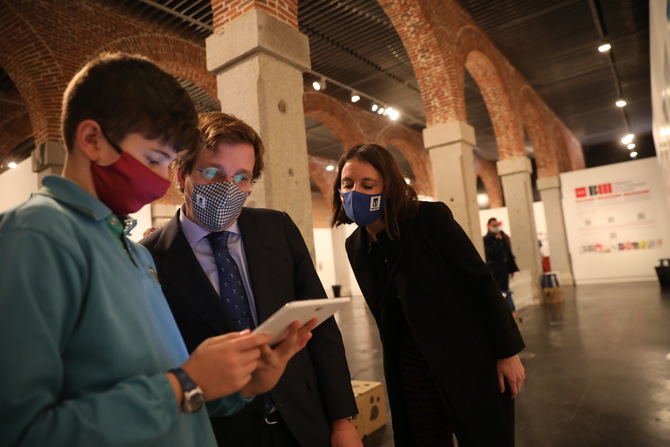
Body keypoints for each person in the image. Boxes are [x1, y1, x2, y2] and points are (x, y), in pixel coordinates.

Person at [0, 53, 314, 447]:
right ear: (92, 139)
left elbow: (161, 386)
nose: (159, 179)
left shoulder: (131, 251)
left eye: (166, 163)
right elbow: (21, 430)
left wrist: (241, 386)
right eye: (152, 158)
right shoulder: (36, 236)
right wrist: (186, 382)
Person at [141, 112, 360, 447]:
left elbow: (321, 328)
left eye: (241, 177)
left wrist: (342, 421)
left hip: (304, 422)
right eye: (212, 172)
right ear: (182, 173)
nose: (228, 188)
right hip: (224, 432)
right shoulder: (150, 257)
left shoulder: (277, 229)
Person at [331, 144, 526, 447]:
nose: (355, 191)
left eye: (367, 184)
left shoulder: (428, 219)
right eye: (348, 183)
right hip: (409, 365)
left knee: (484, 434)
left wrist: (508, 352)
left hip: (467, 356)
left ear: (389, 187)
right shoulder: (355, 245)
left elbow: (480, 282)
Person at [484, 217, 520, 319]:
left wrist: (511, 269)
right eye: (493, 225)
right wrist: (497, 241)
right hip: (494, 269)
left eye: (497, 225)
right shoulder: (487, 239)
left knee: (506, 290)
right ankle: (501, 314)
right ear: (489, 226)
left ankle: (509, 312)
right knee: (498, 291)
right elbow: (490, 253)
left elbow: (508, 253)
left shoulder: (503, 236)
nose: (496, 227)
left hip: (504, 268)